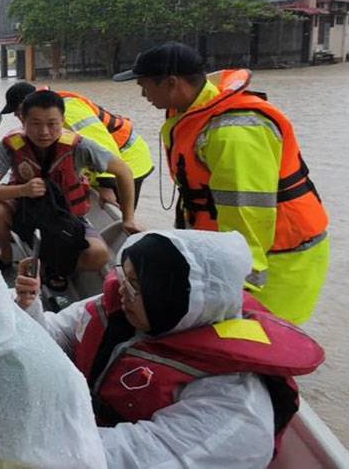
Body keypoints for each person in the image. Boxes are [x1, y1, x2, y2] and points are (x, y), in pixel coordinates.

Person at [14, 229, 325, 468]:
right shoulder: (123, 312)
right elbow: (53, 337)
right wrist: (29, 308)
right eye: (125, 274)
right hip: (84, 432)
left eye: (137, 283)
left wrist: (23, 438)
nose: (122, 288)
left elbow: (131, 458)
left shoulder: (235, 402)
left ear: (173, 296)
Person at [113, 42, 329, 325]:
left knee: (260, 340)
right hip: (230, 242)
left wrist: (240, 285)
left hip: (280, 255)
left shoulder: (234, 132)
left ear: (171, 83)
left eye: (145, 86)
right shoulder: (191, 110)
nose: (142, 94)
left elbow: (248, 214)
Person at [0, 89, 141, 273]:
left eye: (52, 124)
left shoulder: (80, 146)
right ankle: (6, 255)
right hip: (24, 209)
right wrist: (22, 190)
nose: (44, 132)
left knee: (99, 255)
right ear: (23, 121)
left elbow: (124, 171)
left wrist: (128, 219)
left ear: (62, 121)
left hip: (65, 217)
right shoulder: (11, 144)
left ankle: (52, 266)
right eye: (36, 124)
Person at [0, 81, 154, 208]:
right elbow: (26, 138)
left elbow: (102, 143)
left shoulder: (69, 111)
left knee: (117, 209)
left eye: (19, 112)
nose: (19, 117)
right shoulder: (47, 113)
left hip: (129, 159)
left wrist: (107, 185)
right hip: (105, 163)